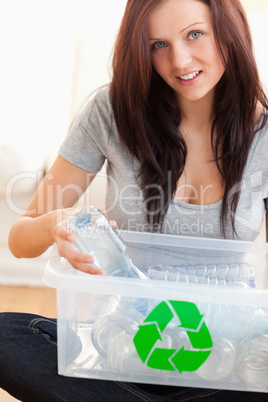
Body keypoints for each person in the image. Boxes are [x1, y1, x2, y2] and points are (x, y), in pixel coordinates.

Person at [1, 0, 268, 400]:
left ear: (229, 32)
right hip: (127, 340)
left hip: (224, 357)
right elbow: (20, 241)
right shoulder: (111, 112)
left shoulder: (263, 132)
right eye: (157, 44)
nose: (179, 60)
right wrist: (55, 223)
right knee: (8, 337)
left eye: (195, 34)